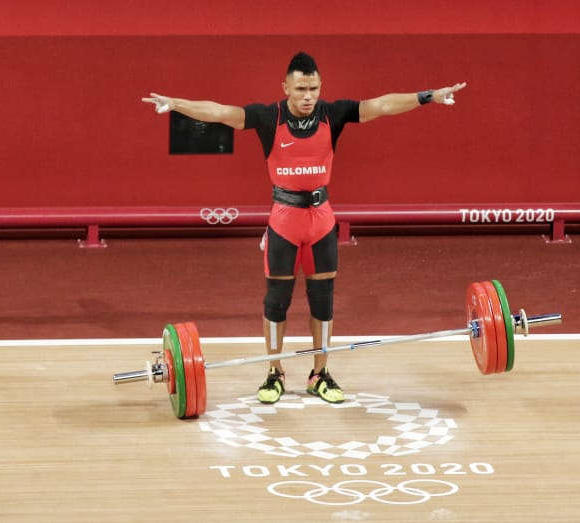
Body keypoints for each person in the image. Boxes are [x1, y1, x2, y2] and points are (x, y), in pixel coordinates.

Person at [143, 52, 465, 405]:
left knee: (322, 303)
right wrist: (175, 103)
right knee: (276, 302)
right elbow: (220, 112)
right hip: (284, 221)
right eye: (301, 89)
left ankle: (320, 374)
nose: (308, 95)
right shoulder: (269, 117)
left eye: (313, 88)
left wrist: (428, 96)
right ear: (286, 88)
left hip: (321, 220)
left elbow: (381, 106)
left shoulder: (333, 113)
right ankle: (273, 372)